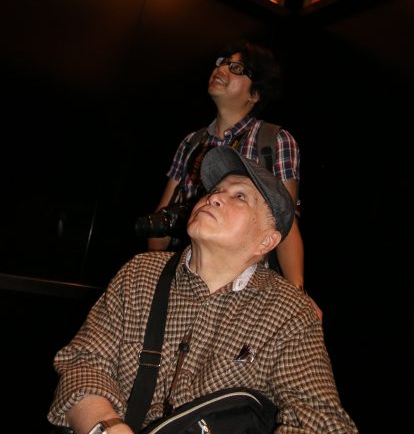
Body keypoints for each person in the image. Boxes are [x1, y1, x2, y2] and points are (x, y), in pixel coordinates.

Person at [47, 146, 358, 434]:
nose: (214, 198)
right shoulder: (139, 274)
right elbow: (82, 365)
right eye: (215, 190)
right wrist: (108, 427)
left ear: (266, 241)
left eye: (240, 196)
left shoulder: (289, 312)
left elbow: (322, 422)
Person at [147, 40, 322, 319]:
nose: (221, 69)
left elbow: (285, 225)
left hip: (246, 292)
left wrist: (297, 296)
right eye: (221, 63)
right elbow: (159, 231)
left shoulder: (274, 141)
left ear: (255, 94)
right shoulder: (191, 143)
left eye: (237, 68)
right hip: (188, 278)